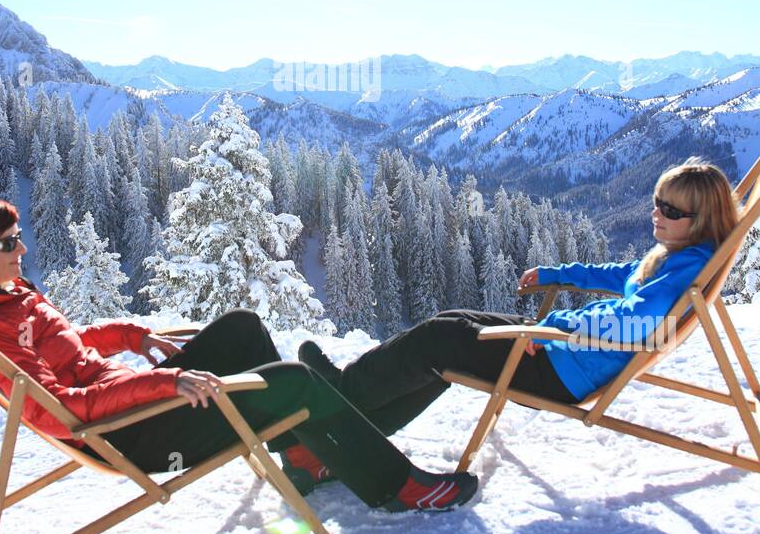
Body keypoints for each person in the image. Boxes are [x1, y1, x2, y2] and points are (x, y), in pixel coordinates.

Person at [0, 190, 479, 515]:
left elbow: (65, 345)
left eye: (19, 235)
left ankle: (307, 453)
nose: (21, 248)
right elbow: (56, 405)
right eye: (7, 243)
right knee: (289, 381)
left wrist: (132, 337)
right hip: (128, 433)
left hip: (127, 405)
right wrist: (165, 383)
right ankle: (396, 487)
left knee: (241, 327)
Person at [296, 158, 740, 443]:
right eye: (657, 202)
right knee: (454, 320)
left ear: (701, 221)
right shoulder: (680, 257)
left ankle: (344, 393)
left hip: (559, 372)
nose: (656, 214)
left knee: (442, 338)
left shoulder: (686, 268)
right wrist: (558, 272)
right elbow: (625, 277)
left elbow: (638, 323)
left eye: (671, 211)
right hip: (563, 354)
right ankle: (361, 413)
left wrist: (557, 328)